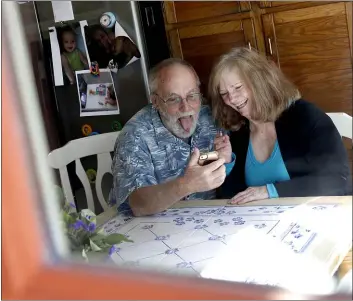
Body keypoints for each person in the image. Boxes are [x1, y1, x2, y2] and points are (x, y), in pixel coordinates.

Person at [208, 47, 351, 205]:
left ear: (259, 81)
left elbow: (338, 180)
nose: (232, 99)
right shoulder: (238, 133)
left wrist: (270, 191)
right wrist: (227, 162)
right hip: (264, 223)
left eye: (238, 87)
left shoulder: (305, 115)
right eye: (224, 94)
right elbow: (233, 198)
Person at [109, 58, 234, 216]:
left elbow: (199, 163)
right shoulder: (135, 135)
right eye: (174, 99)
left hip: (205, 221)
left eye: (192, 95)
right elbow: (138, 203)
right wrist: (186, 185)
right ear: (155, 101)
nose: (186, 107)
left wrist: (221, 158)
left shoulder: (210, 118)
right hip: (147, 228)